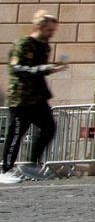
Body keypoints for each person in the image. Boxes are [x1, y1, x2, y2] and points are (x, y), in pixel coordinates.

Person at [2, 11, 65, 184]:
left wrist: (52, 68)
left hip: (37, 97)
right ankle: (6, 169)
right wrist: (43, 69)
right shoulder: (23, 43)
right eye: (50, 30)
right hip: (20, 97)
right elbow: (17, 68)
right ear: (40, 27)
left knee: (49, 127)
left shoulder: (44, 46)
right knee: (16, 132)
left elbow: (39, 68)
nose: (52, 33)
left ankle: (32, 164)